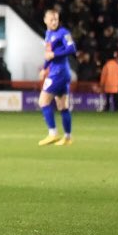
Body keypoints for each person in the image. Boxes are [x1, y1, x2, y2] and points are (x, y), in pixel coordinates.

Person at [38, 9, 76, 146]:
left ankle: (53, 133)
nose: (54, 22)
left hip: (58, 73)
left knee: (43, 101)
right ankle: (67, 137)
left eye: (56, 19)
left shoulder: (64, 33)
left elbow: (72, 48)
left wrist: (55, 55)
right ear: (45, 20)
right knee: (62, 106)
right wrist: (44, 67)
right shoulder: (48, 33)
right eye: (52, 19)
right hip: (58, 72)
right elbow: (49, 54)